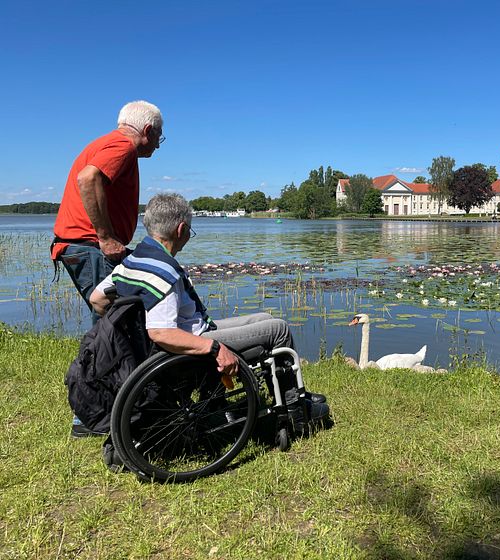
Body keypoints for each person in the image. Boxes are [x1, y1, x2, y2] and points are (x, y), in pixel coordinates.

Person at [88, 193, 328, 433]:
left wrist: (130, 333)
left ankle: (289, 394)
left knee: (265, 319)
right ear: (180, 229)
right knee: (278, 330)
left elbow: (97, 299)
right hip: (187, 348)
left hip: (186, 334)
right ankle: (295, 411)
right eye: (190, 231)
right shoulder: (163, 273)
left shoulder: (135, 259)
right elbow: (161, 333)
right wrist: (214, 348)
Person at [51, 100, 164, 323]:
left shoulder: (106, 143)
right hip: (90, 246)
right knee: (116, 323)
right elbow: (88, 178)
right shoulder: (123, 145)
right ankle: (102, 359)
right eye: (158, 137)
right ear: (147, 130)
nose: (158, 145)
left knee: (119, 318)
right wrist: (106, 238)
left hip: (85, 246)